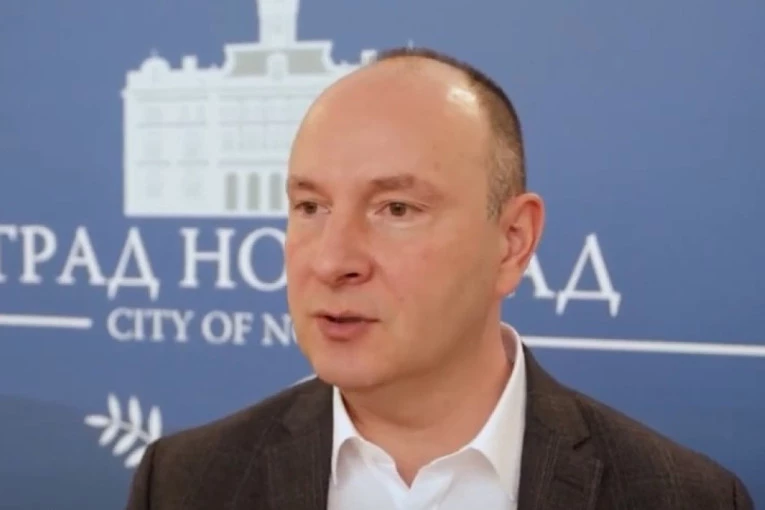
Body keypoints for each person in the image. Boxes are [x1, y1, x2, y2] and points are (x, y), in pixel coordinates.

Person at [124, 47, 754, 510]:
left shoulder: (683, 498)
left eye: (396, 209)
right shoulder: (182, 484)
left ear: (513, 241)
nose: (331, 261)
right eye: (310, 206)